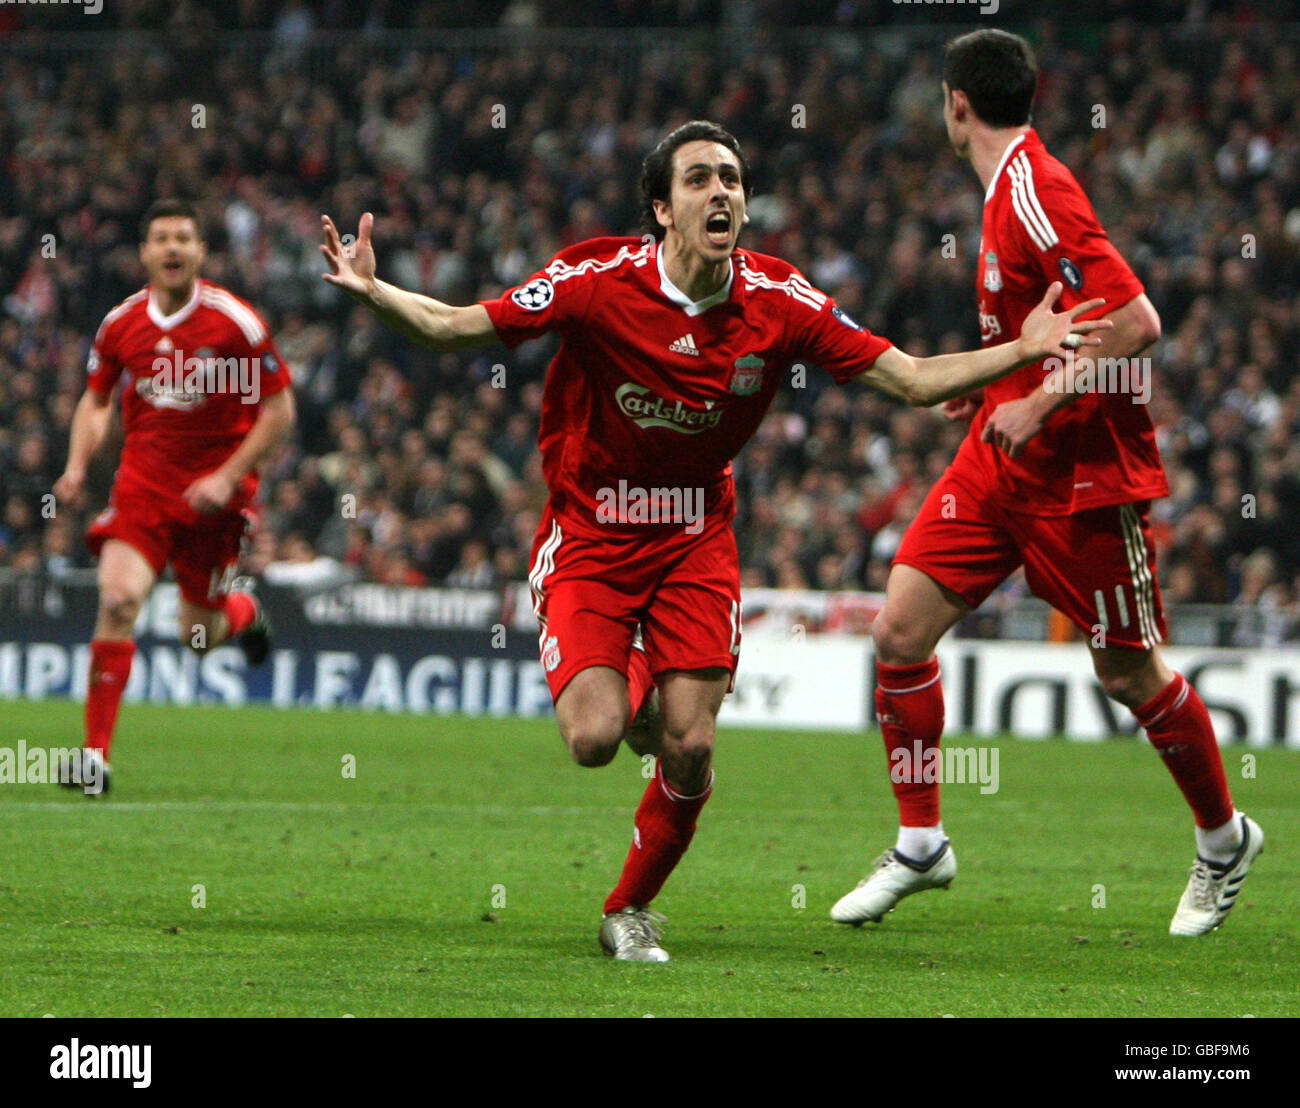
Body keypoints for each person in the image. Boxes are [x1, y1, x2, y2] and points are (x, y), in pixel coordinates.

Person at [320, 120, 1107, 961]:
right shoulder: (594, 280)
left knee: (689, 743)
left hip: (696, 537)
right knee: (595, 738)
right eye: (698, 180)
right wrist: (377, 293)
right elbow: (453, 327)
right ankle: (629, 697)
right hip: (592, 533)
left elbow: (910, 379)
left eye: (731, 178)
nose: (721, 192)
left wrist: (1020, 350)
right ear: (661, 208)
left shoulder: (780, 301)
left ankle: (628, 909)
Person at [830, 31, 1263, 937]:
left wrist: (1037, 406)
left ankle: (1224, 841)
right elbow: (1052, 330)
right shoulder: (1001, 197)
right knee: (899, 632)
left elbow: (1136, 323)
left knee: (1127, 672)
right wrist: (998, 393)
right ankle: (920, 843)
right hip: (999, 468)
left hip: (1082, 479)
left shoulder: (1037, 189)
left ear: (956, 103)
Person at [53, 199, 295, 794]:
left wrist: (228, 475)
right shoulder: (121, 325)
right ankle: (94, 759)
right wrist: (77, 465)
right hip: (142, 485)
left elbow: (280, 411)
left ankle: (244, 613)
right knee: (117, 601)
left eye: (183, 238)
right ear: (144, 252)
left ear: (200, 252)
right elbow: (97, 399)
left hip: (215, 499)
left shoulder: (234, 323)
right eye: (160, 237)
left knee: (198, 637)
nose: (172, 248)